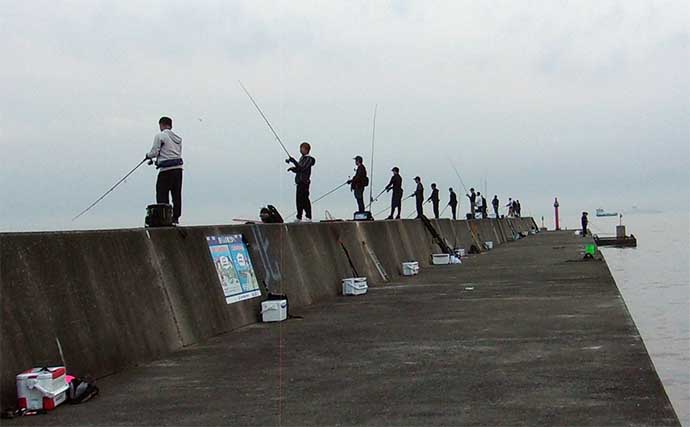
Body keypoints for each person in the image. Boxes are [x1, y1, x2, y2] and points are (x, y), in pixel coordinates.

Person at [146, 116, 184, 224]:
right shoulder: (178, 139)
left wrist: (148, 156)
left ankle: (164, 218)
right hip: (178, 170)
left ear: (161, 125)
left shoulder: (160, 136)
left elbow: (154, 152)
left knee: (162, 194)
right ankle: (175, 218)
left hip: (165, 170)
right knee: (176, 194)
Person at [287, 142, 316, 222]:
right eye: (300, 148)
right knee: (298, 200)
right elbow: (299, 169)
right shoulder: (302, 158)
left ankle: (308, 216)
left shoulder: (308, 159)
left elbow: (302, 168)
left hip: (304, 182)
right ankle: (299, 216)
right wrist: (293, 169)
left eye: (302, 148)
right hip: (299, 182)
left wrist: (294, 162)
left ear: (307, 150)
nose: (301, 150)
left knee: (305, 199)